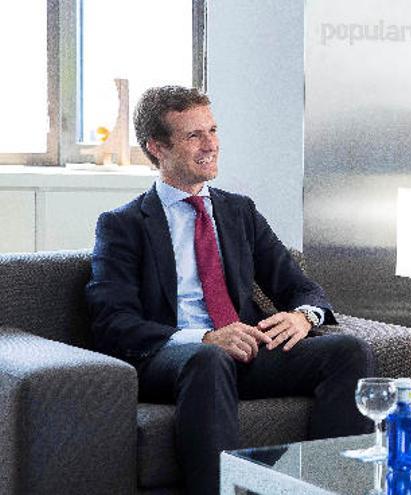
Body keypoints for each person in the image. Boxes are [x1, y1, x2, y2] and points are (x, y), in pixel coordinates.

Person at [85, 85, 374, 494]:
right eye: (194, 135)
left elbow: (301, 287)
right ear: (157, 147)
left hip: (247, 350)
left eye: (213, 130)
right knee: (209, 359)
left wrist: (301, 316)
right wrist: (204, 337)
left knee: (348, 351)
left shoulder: (239, 211)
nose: (211, 145)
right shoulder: (123, 225)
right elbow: (113, 323)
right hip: (176, 356)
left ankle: (334, 488)